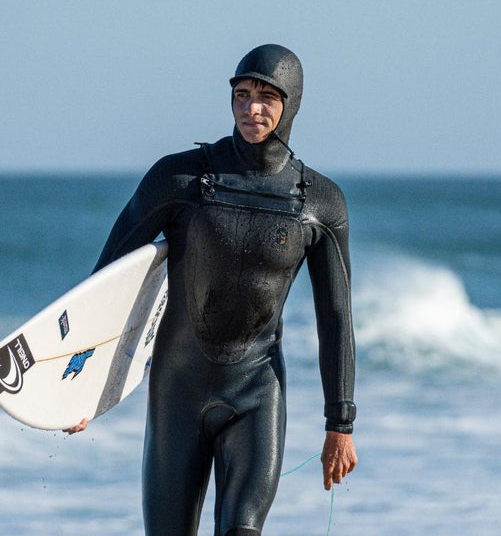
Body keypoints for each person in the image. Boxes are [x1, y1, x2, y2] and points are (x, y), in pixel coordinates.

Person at [66, 44, 357, 535]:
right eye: (241, 95)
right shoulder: (179, 178)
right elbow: (106, 281)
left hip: (256, 393)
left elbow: (336, 319)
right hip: (177, 392)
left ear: (292, 103)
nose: (252, 108)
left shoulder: (318, 202)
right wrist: (77, 388)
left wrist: (340, 424)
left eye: (267, 97)